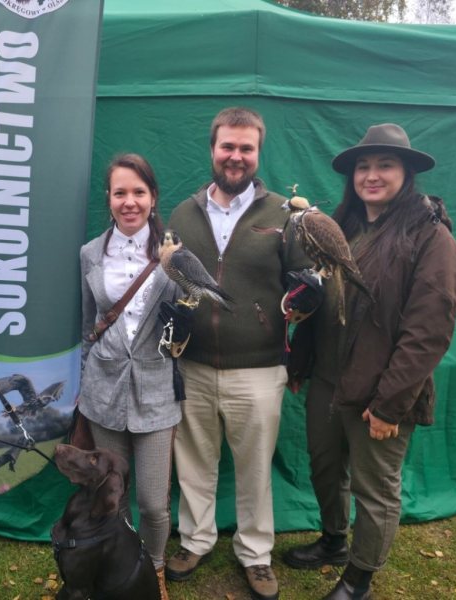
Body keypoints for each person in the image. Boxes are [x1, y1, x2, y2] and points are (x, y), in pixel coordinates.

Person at [283, 123, 456, 600]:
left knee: (375, 489)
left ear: (406, 173)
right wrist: (301, 360)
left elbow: (428, 332)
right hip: (328, 378)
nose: (372, 175)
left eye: (385, 165)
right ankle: (333, 541)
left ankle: (359, 579)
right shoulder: (341, 227)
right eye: (363, 166)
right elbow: (323, 301)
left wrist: (390, 405)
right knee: (325, 468)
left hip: (380, 391)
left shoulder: (431, 239)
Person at [165, 107, 313, 600]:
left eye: (246, 148)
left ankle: (255, 553)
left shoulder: (284, 215)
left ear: (258, 153)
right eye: (227, 146)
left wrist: (306, 304)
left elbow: (304, 289)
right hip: (193, 364)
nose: (236, 156)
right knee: (193, 462)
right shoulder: (183, 214)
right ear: (212, 149)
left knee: (254, 469)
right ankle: (195, 540)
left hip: (260, 368)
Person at [78, 153, 185, 600]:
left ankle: (154, 567)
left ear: (153, 197)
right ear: (109, 198)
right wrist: (84, 382)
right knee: (112, 497)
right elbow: (88, 325)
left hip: (157, 390)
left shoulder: (175, 253)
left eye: (138, 192)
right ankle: (121, 568)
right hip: (103, 391)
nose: (129, 202)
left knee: (154, 503)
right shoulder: (90, 253)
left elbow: (187, 322)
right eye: (120, 192)